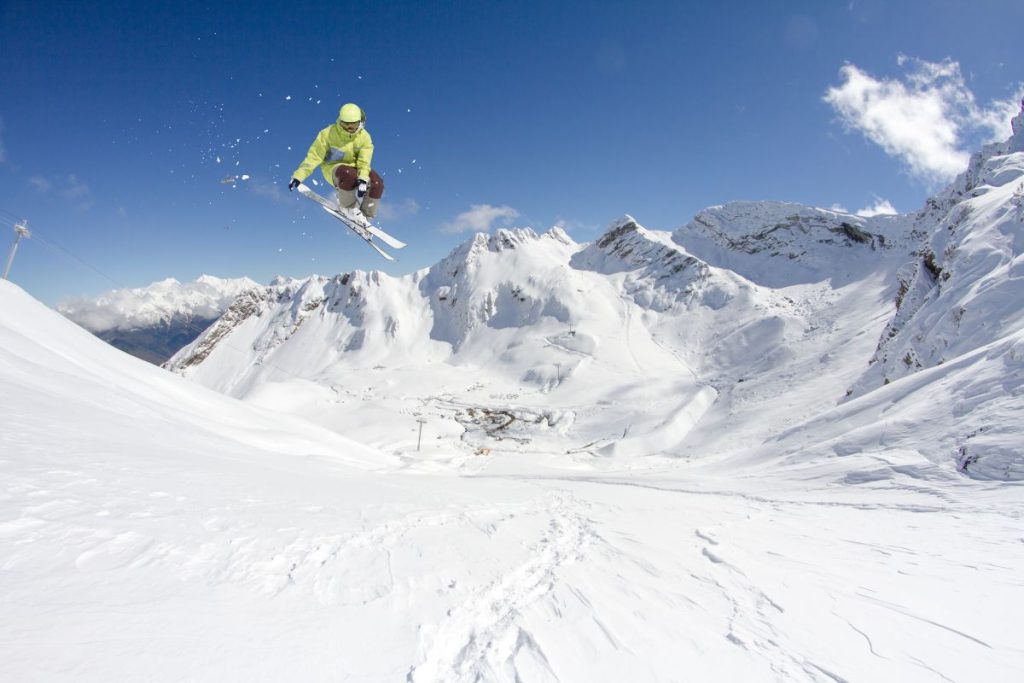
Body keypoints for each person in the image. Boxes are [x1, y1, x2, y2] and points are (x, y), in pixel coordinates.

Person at [287, 103, 384, 219]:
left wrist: (363, 178)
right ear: (339, 121)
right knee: (349, 174)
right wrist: (299, 176)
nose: (348, 129)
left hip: (356, 168)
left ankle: (365, 218)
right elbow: (314, 156)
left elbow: (364, 161)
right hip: (334, 169)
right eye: (345, 124)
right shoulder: (327, 134)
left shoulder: (364, 137)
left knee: (377, 183)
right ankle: (348, 209)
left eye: (353, 126)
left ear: (360, 123)